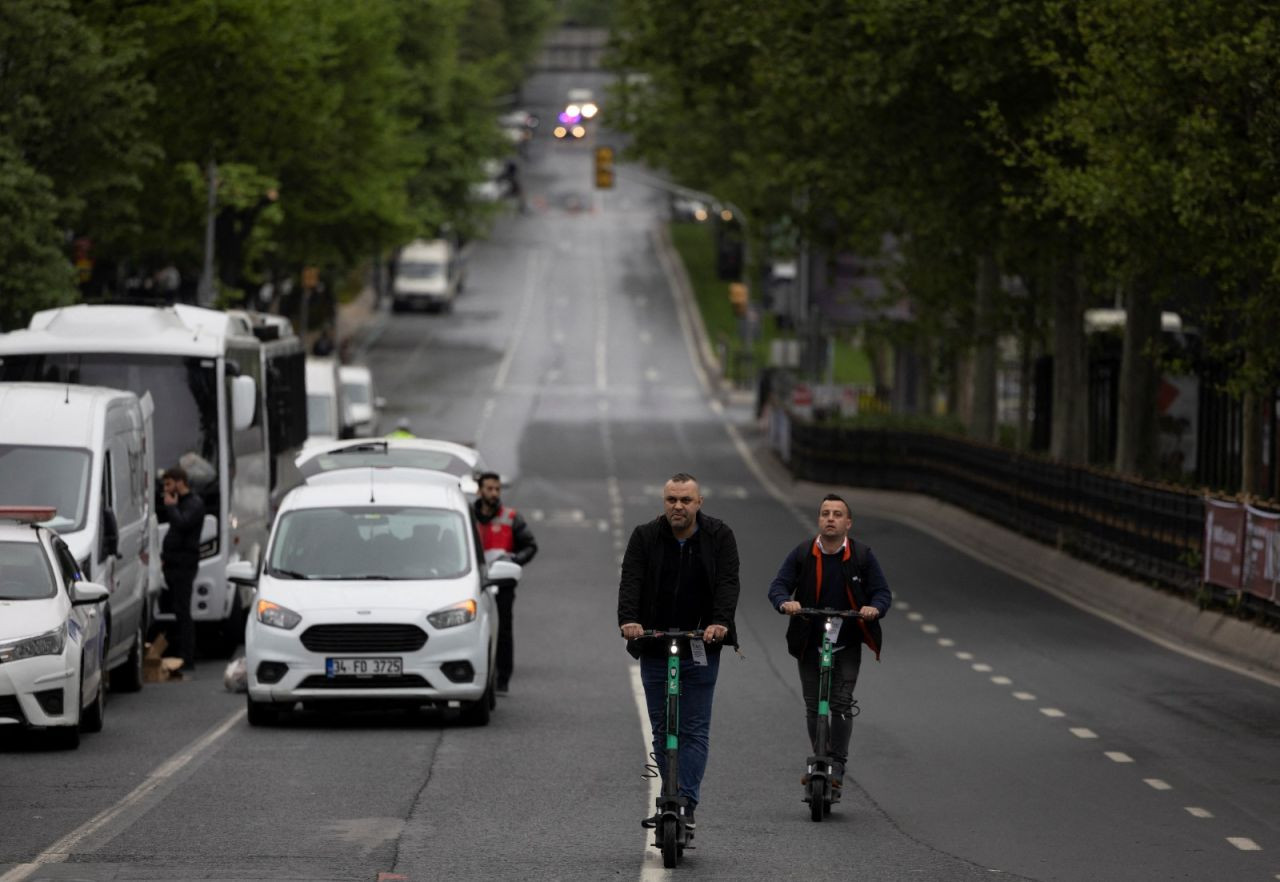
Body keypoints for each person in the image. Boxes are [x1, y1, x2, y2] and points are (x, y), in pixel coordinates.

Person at [618, 472, 740, 831]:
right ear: (664, 502)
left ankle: (685, 801)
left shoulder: (720, 536)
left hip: (701, 642)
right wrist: (630, 620)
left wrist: (720, 623)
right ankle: (666, 794)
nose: (678, 506)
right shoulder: (644, 536)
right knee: (661, 727)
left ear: (698, 503)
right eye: (672, 499)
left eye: (686, 500)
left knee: (694, 729)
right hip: (655, 642)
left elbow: (728, 582)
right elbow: (631, 581)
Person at [767, 493, 891, 792]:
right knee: (813, 705)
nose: (831, 518)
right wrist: (786, 603)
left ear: (848, 523)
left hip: (847, 642)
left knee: (841, 703)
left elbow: (882, 593)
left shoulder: (862, 555)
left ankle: (837, 762)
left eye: (837, 514)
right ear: (819, 519)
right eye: (825, 513)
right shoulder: (803, 553)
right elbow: (778, 587)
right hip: (810, 641)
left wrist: (873, 609)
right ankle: (818, 760)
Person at [473, 471, 537, 693]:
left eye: (497, 489)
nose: (494, 493)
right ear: (479, 490)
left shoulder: (511, 517)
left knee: (503, 631)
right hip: (473, 584)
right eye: (489, 489)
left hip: (503, 583)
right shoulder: (467, 517)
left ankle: (502, 679)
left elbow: (530, 546)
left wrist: (515, 562)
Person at [159, 466, 206, 678]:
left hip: (184, 566)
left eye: (169, 484)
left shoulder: (194, 504)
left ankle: (187, 658)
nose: (166, 490)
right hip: (173, 564)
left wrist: (171, 507)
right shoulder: (181, 503)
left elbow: (183, 524)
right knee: (177, 610)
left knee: (183, 611)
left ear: (180, 482)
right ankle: (179, 654)